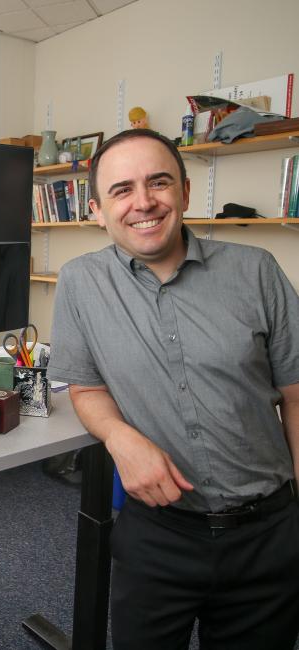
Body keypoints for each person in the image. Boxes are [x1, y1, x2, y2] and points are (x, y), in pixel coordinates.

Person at [47, 128, 299, 650]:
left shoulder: (256, 271)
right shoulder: (79, 283)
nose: (144, 202)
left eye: (158, 182)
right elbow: (86, 387)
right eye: (122, 190)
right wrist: (119, 437)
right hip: (157, 535)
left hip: (267, 531)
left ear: (184, 192)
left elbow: (297, 398)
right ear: (97, 209)